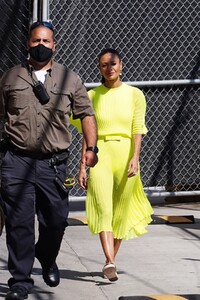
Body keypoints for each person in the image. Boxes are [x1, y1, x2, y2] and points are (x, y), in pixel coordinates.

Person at [0, 21, 98, 300]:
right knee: (19, 223)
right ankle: (20, 280)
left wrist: (92, 148)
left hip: (54, 163)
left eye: (46, 41)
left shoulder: (70, 78)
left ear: (55, 45)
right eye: (36, 41)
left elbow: (86, 115)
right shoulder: (10, 77)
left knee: (56, 221)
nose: (41, 46)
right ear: (27, 43)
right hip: (17, 159)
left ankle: (46, 256)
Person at [78, 48, 153, 282]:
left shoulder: (135, 95)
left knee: (120, 211)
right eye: (103, 65)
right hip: (100, 153)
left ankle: (110, 261)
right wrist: (82, 165)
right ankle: (110, 261)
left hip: (125, 152)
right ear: (99, 68)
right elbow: (86, 133)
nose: (109, 68)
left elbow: (137, 129)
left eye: (113, 63)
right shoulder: (92, 96)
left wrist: (135, 157)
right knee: (103, 207)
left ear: (121, 65)